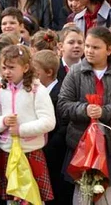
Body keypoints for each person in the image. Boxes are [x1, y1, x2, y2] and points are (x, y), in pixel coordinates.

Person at [58, 26, 111, 204]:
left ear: (109, 50)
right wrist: (84, 110)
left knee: (105, 194)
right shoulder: (76, 72)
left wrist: (105, 112)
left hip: (110, 143)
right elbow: (63, 104)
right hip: (81, 144)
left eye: (95, 47)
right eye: (88, 46)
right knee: (81, 194)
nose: (89, 51)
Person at [0, 45, 56, 202]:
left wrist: (21, 130)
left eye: (12, 68)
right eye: (4, 67)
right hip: (7, 152)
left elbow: (49, 122)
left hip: (30, 153)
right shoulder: (0, 90)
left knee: (34, 198)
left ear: (26, 67)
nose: (7, 72)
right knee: (11, 198)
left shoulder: (36, 90)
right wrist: (3, 122)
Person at [33, 50, 73, 205]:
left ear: (49, 72)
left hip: (54, 154)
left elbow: (63, 126)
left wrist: (47, 148)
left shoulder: (60, 92)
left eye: (36, 72)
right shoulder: (35, 91)